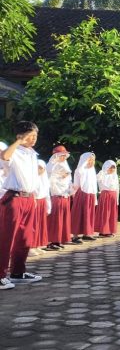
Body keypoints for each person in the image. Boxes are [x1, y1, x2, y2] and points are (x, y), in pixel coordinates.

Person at [0, 121, 44, 290]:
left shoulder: (32, 154)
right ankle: (1, 275)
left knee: (25, 238)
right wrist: (19, 141)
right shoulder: (14, 151)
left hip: (29, 198)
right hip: (15, 198)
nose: (33, 139)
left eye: (35, 136)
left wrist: (34, 196)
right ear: (20, 135)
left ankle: (18, 273)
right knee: (6, 238)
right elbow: (4, 156)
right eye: (30, 135)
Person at [46, 146, 72, 250]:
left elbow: (69, 180)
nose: (63, 157)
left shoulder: (65, 165)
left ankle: (58, 240)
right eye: (61, 155)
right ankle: (51, 241)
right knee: (55, 220)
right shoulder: (51, 166)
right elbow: (49, 180)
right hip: (56, 195)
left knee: (63, 220)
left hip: (65, 195)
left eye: (65, 155)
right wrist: (60, 176)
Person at [71, 152, 98, 243]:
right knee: (79, 214)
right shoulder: (80, 170)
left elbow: (94, 184)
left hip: (90, 194)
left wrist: (95, 197)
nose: (91, 161)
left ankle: (87, 233)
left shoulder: (92, 170)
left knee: (89, 214)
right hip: (82, 194)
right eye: (89, 159)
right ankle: (75, 236)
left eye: (93, 160)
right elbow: (76, 184)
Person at [95, 160, 119, 237]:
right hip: (105, 195)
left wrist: (117, 200)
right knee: (105, 213)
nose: (112, 169)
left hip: (113, 196)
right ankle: (103, 231)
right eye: (110, 167)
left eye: (113, 168)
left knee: (112, 214)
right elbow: (97, 179)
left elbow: (117, 188)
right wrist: (103, 172)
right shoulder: (102, 175)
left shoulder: (115, 176)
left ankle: (110, 230)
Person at [31, 160, 51, 254]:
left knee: (40, 225)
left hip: (42, 203)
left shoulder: (44, 179)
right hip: (34, 202)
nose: (40, 170)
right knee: (33, 225)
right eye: (38, 168)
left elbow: (47, 194)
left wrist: (48, 207)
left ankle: (37, 245)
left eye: (42, 168)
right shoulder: (31, 178)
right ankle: (30, 246)